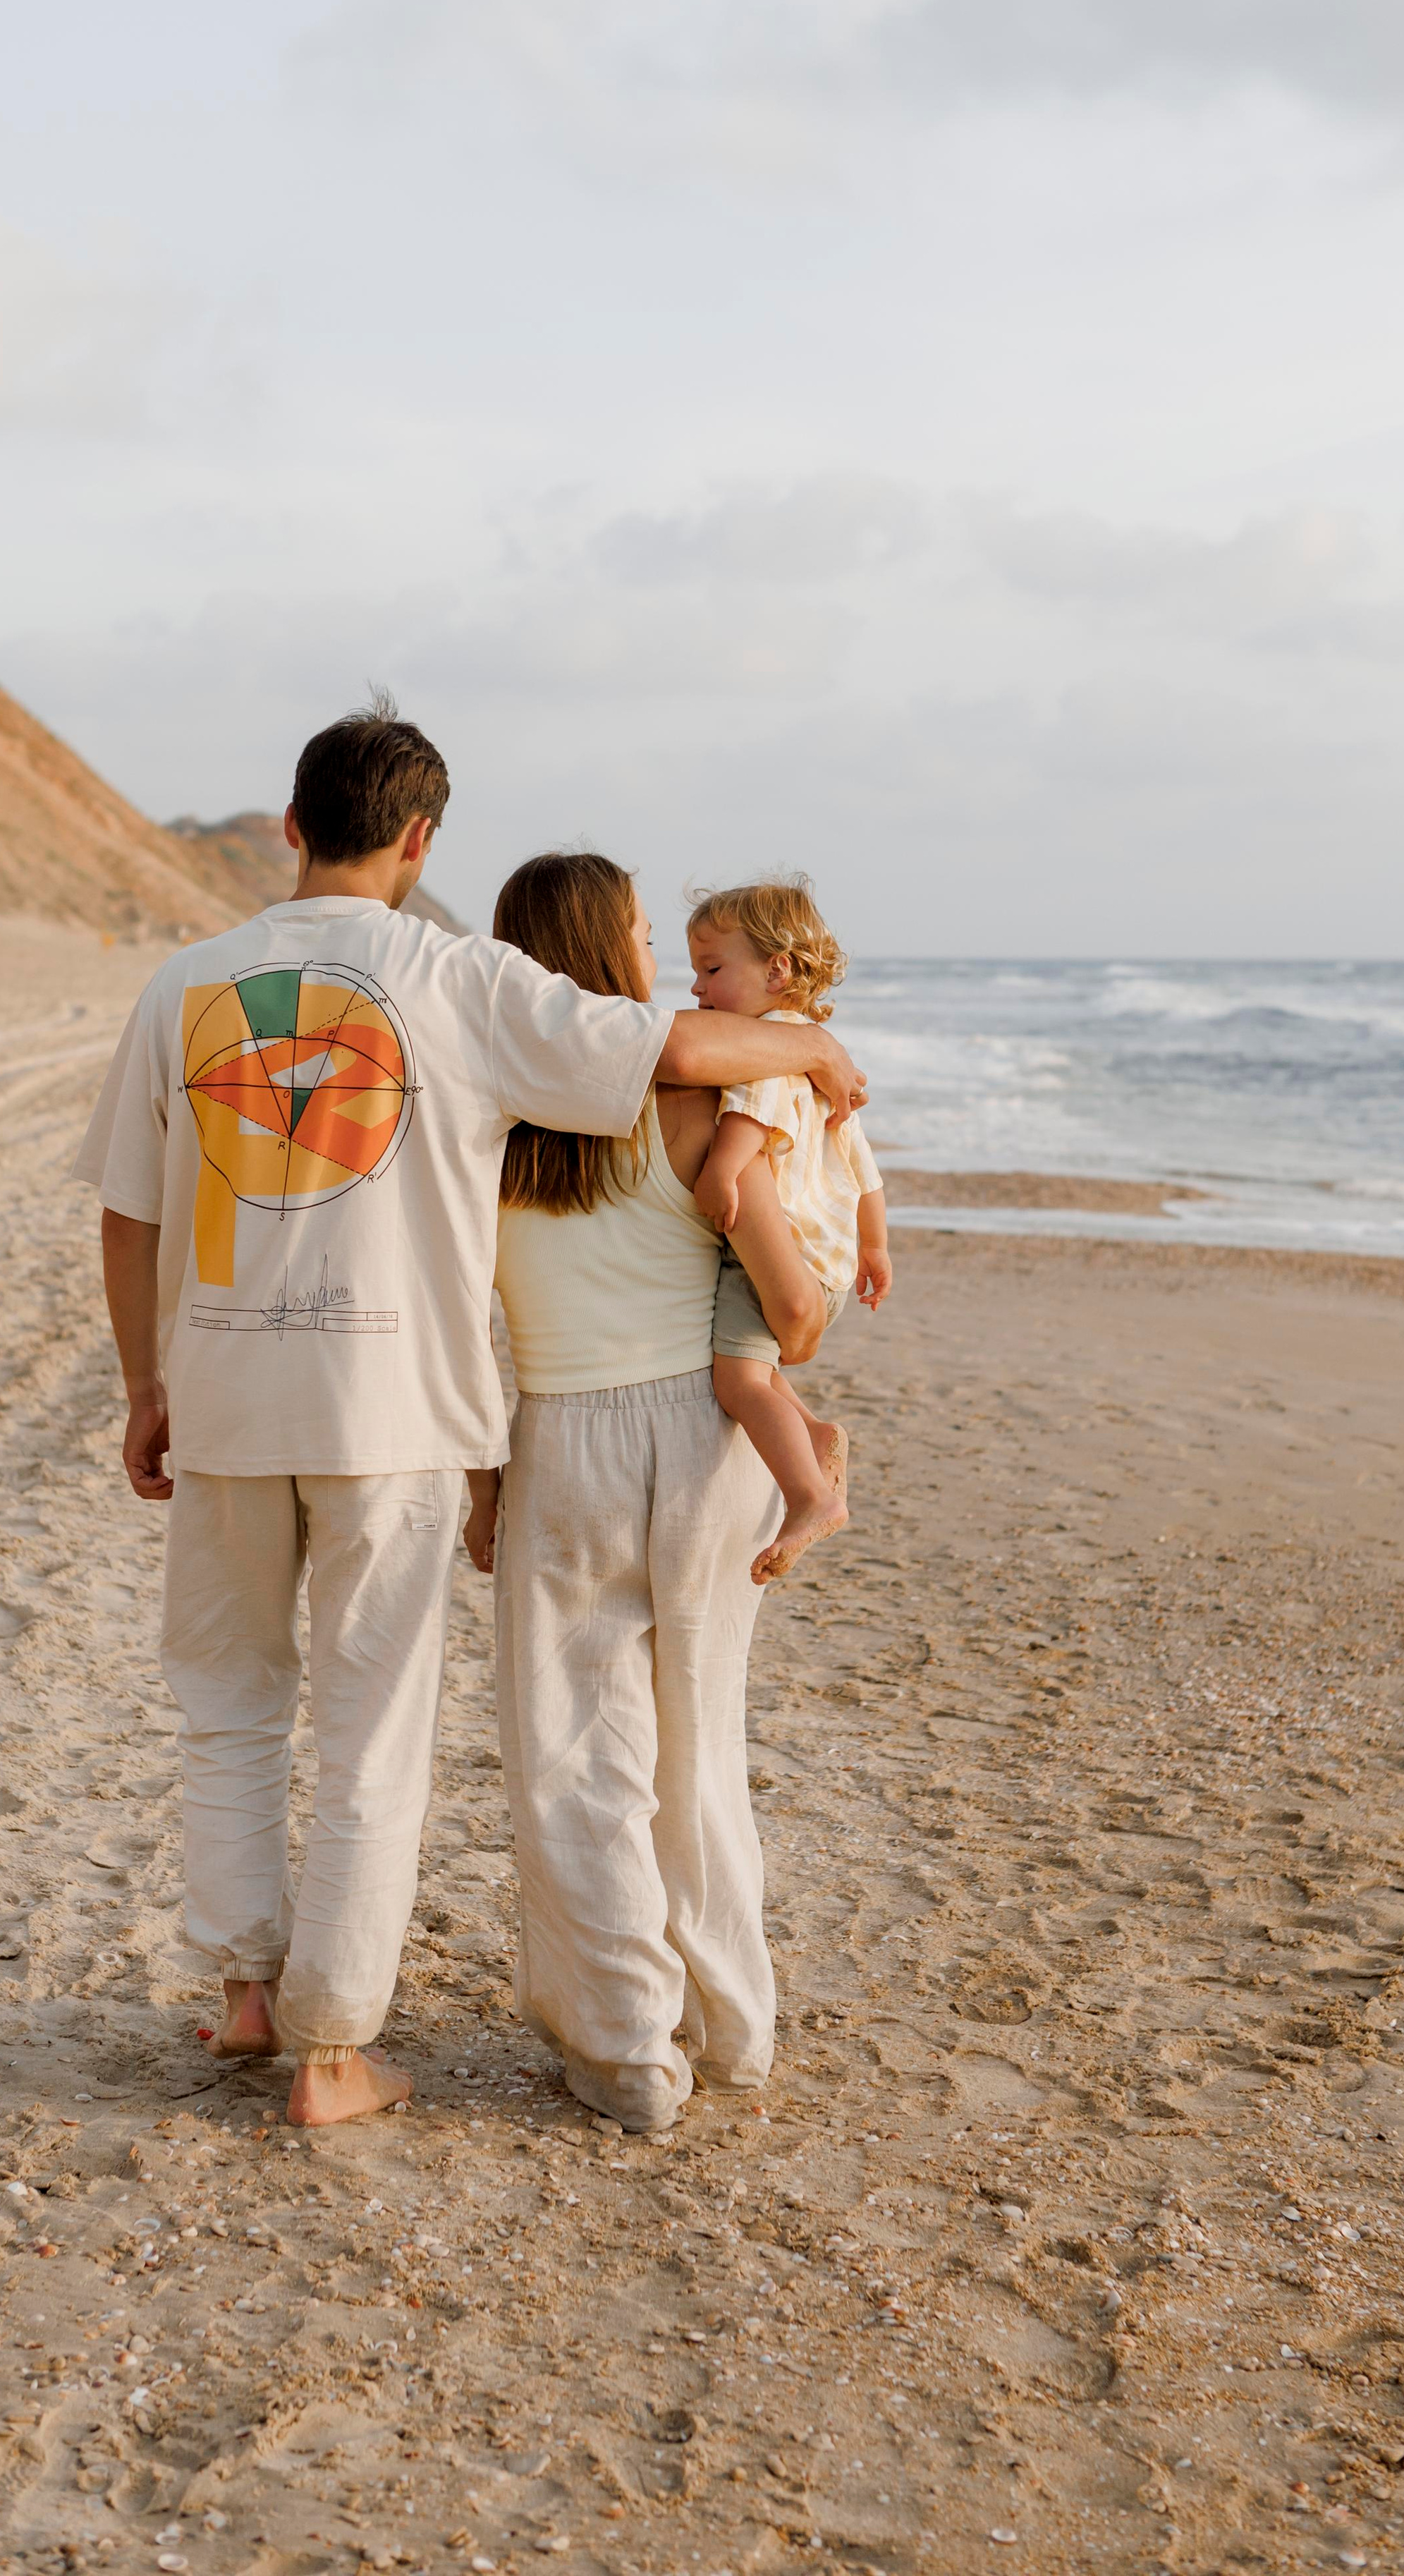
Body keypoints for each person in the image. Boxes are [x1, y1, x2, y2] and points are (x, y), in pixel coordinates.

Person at [75, 698, 868, 2130]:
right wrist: (808, 1055)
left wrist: (146, 1382)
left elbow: (129, 1218)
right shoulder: (455, 981)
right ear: (421, 839)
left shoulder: (182, 986)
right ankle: (329, 2052)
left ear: (290, 825)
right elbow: (668, 1051)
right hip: (399, 1413)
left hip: (225, 1402)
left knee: (229, 1705)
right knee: (370, 1726)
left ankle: (249, 1993)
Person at [462, 851, 829, 2133]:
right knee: (698, 1740)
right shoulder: (697, 1112)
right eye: (636, 930)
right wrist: (810, 1315)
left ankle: (627, 2050)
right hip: (708, 1438)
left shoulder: (486, 1126)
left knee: (577, 1755)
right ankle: (733, 2028)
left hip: (563, 1437)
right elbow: (790, 1306)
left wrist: (481, 1481)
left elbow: (462, 1328)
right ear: (611, 954)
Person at [685, 875, 893, 1581]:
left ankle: (808, 1498)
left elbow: (749, 1116)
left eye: (712, 971)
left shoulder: (765, 1044)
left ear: (776, 971)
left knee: (737, 1384)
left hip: (775, 1260)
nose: (696, 991)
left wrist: (720, 1169)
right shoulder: (817, 1061)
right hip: (827, 1265)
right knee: (760, 1372)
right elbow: (865, 1174)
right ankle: (814, 1434)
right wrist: (875, 1250)